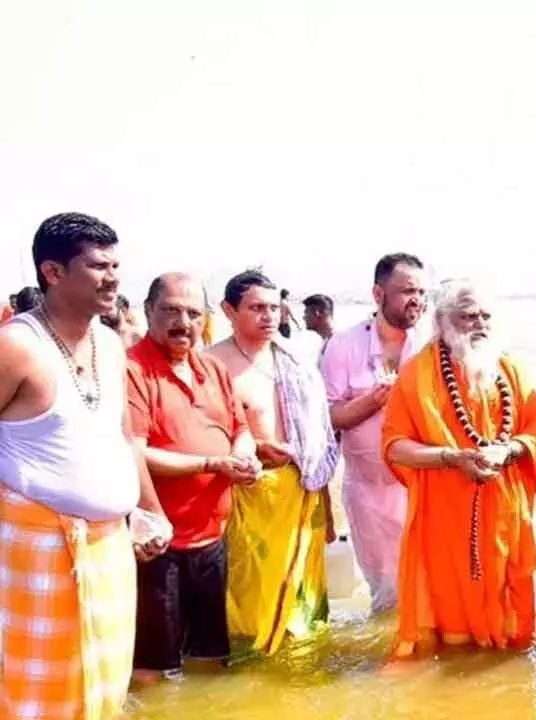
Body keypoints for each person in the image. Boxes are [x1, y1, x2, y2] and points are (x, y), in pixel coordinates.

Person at [0, 212, 152, 719]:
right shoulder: (17, 347)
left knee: (103, 688)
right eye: (97, 266)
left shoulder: (110, 344)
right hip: (35, 551)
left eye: (115, 265)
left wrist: (149, 511)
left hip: (108, 547)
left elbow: (125, 434)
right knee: (32, 695)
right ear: (53, 272)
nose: (113, 278)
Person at [381, 279, 536, 656]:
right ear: (442, 322)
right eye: (467, 316)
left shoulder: (509, 370)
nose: (479, 325)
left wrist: (507, 451)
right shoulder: (415, 375)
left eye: (485, 316)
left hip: (504, 515)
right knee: (450, 624)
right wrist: (451, 458)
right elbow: (395, 447)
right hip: (443, 515)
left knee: (508, 629)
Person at [126, 272, 260, 682]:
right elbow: (133, 450)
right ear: (148, 311)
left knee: (211, 660)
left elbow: (240, 430)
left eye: (192, 313)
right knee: (154, 670)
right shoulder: (132, 369)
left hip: (212, 537)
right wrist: (211, 465)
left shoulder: (213, 368)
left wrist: (244, 457)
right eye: (170, 310)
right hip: (159, 542)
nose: (183, 321)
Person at [210, 270, 339, 655]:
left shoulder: (295, 361)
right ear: (228, 311)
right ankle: (252, 656)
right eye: (255, 308)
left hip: (301, 489)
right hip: (247, 495)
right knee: (250, 588)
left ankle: (302, 658)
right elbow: (205, 433)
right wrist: (256, 447)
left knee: (303, 594)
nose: (267, 317)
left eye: (272, 308)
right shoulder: (212, 364)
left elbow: (319, 437)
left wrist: (329, 510)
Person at [320, 253, 429, 614]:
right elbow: (330, 417)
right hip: (371, 493)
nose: (416, 300)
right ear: (378, 294)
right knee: (389, 596)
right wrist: (373, 401)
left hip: (427, 486)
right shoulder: (343, 346)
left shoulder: (432, 346)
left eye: (421, 292)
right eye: (406, 291)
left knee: (431, 590)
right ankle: (392, 666)